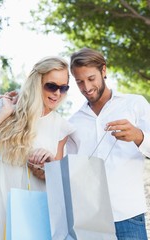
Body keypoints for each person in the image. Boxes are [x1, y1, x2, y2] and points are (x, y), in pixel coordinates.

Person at [67, 47, 150, 240]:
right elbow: (70, 170)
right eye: (79, 82)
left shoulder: (134, 104)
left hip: (128, 215)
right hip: (89, 219)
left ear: (103, 71)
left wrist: (138, 136)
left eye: (91, 78)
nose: (86, 87)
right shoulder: (73, 123)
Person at [0, 56, 75, 239]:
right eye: (51, 86)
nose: (57, 93)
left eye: (64, 88)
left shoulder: (61, 127)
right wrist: (4, 113)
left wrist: (48, 164)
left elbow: (58, 184)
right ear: (37, 82)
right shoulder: (5, 108)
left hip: (31, 214)